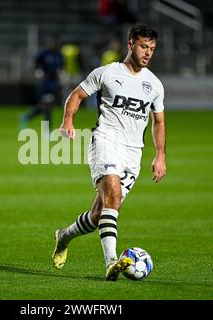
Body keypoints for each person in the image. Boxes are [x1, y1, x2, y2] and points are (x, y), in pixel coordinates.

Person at [52, 24, 166, 281]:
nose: (148, 53)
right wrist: (67, 120)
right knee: (112, 196)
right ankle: (111, 262)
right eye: (143, 46)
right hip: (105, 140)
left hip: (133, 153)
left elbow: (159, 121)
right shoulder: (107, 73)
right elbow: (76, 95)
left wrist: (160, 155)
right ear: (130, 45)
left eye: (152, 49)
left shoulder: (154, 85)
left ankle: (64, 236)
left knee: (98, 214)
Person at [20, 35, 64, 132]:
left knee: (44, 106)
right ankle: (47, 131)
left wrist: (61, 78)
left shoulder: (59, 55)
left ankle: (26, 117)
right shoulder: (44, 53)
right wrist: (38, 71)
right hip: (45, 83)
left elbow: (60, 69)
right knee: (47, 106)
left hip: (54, 83)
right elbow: (33, 62)